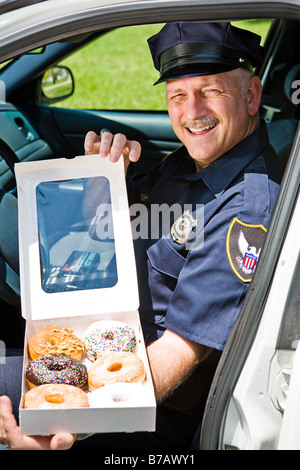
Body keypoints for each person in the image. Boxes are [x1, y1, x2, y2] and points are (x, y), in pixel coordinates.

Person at [0, 21, 283, 450]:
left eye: (211, 91)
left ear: (251, 95)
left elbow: (181, 350)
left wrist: (80, 416)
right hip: (104, 331)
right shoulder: (192, 162)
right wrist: (104, 172)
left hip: (143, 401)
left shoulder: (244, 209)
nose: (192, 113)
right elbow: (121, 221)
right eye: (177, 96)